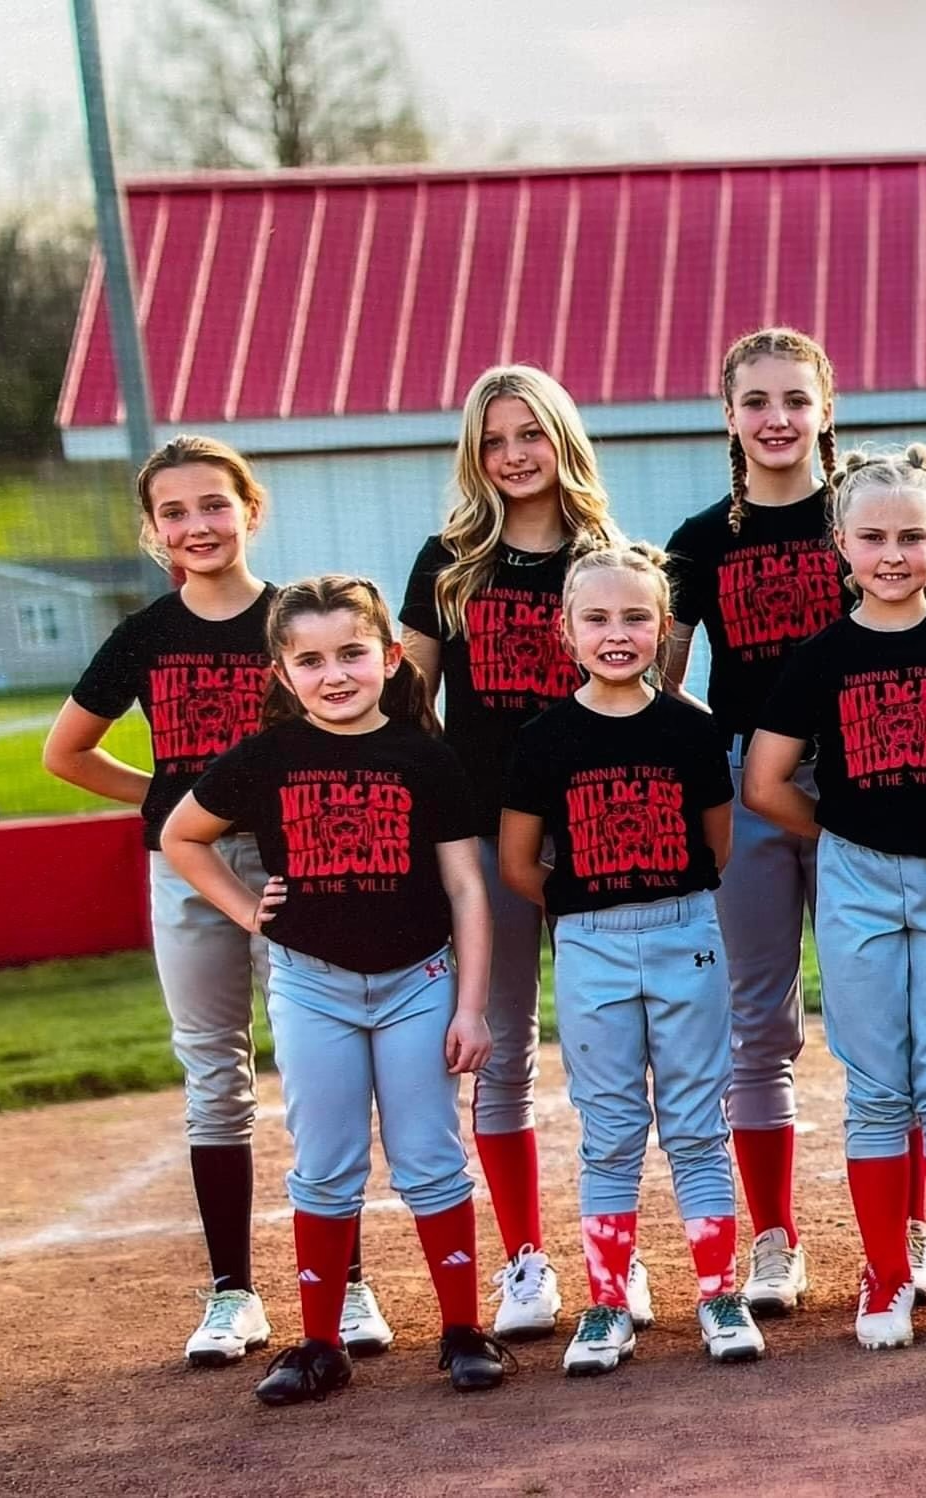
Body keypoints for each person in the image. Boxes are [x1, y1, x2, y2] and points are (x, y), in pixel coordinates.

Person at [42, 437, 389, 1366]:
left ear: (251, 508)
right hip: (188, 867)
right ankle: (234, 1293)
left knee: (319, 1073)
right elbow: (64, 754)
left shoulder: (294, 619)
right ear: (153, 530)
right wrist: (168, 800)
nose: (197, 525)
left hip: (302, 862)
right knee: (214, 1075)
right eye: (175, 512)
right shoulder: (146, 635)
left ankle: (347, 1285)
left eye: (213, 504)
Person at [161, 576, 508, 1404]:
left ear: (390, 657)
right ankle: (319, 1345)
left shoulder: (427, 756)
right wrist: (249, 911)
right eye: (310, 660)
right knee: (324, 1166)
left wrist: (469, 1006)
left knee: (429, 1159)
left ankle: (462, 1330)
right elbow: (181, 835)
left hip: (417, 985)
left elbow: (466, 888)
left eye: (352, 653)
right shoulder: (268, 756)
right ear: (283, 674)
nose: (335, 674)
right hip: (312, 988)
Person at [744, 445, 926, 1350]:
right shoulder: (822, 656)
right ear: (840, 544)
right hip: (857, 879)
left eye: (911, 536)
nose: (891, 554)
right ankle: (888, 1275)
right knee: (876, 1088)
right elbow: (765, 782)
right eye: (871, 537)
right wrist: (840, 837)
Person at [499, 540, 765, 1375]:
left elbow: (716, 847)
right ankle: (608, 1303)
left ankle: (719, 1294)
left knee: (695, 1123)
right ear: (566, 629)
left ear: (662, 627)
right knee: (610, 1131)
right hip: (589, 943)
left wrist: (656, 905)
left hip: (684, 929)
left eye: (636, 617)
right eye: (598, 618)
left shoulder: (692, 728)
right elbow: (518, 863)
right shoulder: (543, 739)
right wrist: (586, 914)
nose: (618, 633)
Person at [398, 365, 619, 1340]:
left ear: (561, 439)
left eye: (530, 433)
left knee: (612, 1052)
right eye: (494, 440)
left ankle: (618, 1259)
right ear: (475, 455)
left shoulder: (605, 557)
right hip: (487, 835)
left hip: (599, 838)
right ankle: (526, 1261)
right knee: (500, 1056)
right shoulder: (446, 562)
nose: (514, 454)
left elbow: (634, 700)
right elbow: (409, 708)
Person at [663, 327, 849, 1316]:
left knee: (881, 1012)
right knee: (755, 1019)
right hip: (746, 783)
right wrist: (719, 754)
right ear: (726, 413)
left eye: (794, 399)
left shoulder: (860, 515)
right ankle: (773, 1237)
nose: (776, 419)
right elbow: (658, 680)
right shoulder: (701, 539)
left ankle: (898, 1228)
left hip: (862, 775)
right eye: (755, 401)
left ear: (825, 408)